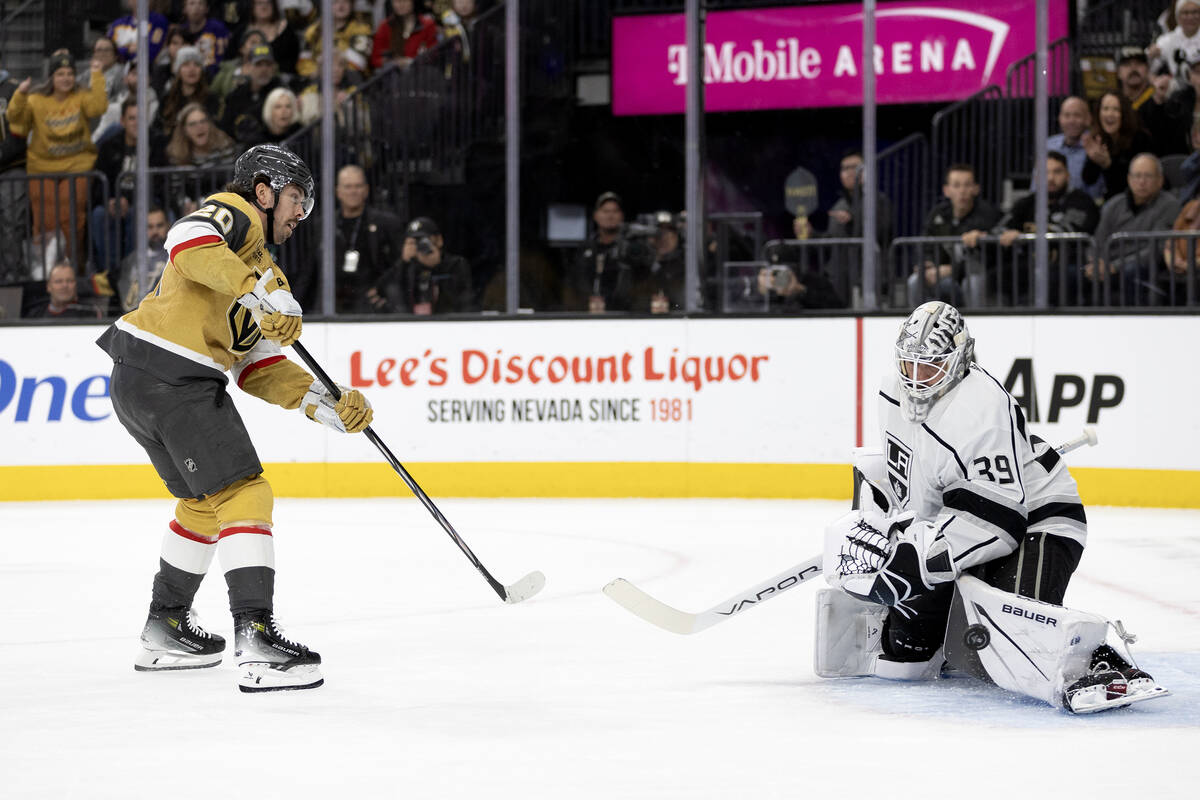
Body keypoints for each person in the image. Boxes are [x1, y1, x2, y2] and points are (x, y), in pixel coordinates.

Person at [95, 144, 373, 693]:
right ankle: (258, 639)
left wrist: (327, 402)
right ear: (265, 191)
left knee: (204, 503)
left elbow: (257, 367)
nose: (301, 212)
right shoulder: (238, 217)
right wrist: (257, 291)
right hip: (174, 374)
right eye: (296, 198)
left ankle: (165, 625)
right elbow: (183, 240)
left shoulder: (265, 273)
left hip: (138, 377)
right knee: (246, 494)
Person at [819, 301, 1168, 714]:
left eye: (929, 366)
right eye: (908, 365)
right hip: (963, 517)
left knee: (1010, 634)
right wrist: (890, 524)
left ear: (959, 359)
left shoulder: (983, 409)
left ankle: (1100, 661)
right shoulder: (889, 387)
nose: (915, 379)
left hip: (1038, 518)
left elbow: (1000, 521)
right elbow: (910, 475)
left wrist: (921, 556)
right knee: (926, 651)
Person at [5, 49, 108, 278]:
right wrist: (20, 94)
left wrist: (96, 75)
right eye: (60, 73)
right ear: (51, 76)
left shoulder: (81, 96)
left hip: (77, 167)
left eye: (70, 73)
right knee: (44, 224)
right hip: (42, 170)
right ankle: (45, 275)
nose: (66, 78)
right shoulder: (35, 99)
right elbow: (15, 121)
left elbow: (98, 107)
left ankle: (73, 272)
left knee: (72, 221)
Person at [992, 152, 1100, 303]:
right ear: (1036, 178)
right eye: (1044, 173)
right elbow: (999, 229)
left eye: (1057, 172)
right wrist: (1007, 233)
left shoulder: (1081, 201)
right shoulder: (1027, 203)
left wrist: (1023, 235)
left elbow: (1069, 232)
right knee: (996, 276)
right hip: (1031, 266)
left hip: (1070, 266)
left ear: (1068, 175)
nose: (1050, 178)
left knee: (1052, 276)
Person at [1086, 152, 1181, 304]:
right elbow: (1098, 239)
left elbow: (1156, 248)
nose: (1141, 182)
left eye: (1148, 176)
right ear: (1129, 179)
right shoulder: (1114, 204)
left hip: (1143, 268)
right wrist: (1096, 263)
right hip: (1109, 265)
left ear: (1160, 180)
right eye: (1137, 176)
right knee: (1071, 273)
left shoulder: (1170, 205)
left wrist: (1115, 267)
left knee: (1131, 271)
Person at [908, 164, 1001, 308]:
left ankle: (975, 325)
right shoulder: (938, 214)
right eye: (956, 185)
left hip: (970, 275)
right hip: (943, 275)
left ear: (976, 189)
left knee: (973, 282)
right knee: (915, 281)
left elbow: (990, 258)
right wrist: (926, 263)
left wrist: (952, 269)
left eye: (967, 185)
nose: (962, 191)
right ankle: (921, 327)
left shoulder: (986, 215)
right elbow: (924, 244)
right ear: (946, 190)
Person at [314, 164, 404, 312]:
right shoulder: (324, 224)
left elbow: (399, 263)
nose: (353, 191)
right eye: (348, 187)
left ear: (366, 190)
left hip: (370, 299)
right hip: (334, 300)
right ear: (338, 192)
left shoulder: (386, 223)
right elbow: (312, 268)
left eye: (358, 186)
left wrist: (382, 288)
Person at [367, 215, 475, 314]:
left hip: (447, 325)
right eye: (413, 241)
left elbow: (462, 299)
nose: (419, 245)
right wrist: (403, 262)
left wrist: (437, 266)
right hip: (411, 325)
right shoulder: (407, 267)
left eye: (423, 239)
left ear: (439, 240)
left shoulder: (456, 264)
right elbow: (381, 290)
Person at [566, 191, 651, 313]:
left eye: (615, 211)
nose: (610, 216)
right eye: (605, 211)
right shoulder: (585, 249)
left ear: (622, 216)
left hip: (623, 314)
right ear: (595, 216)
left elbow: (641, 282)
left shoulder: (631, 248)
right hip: (586, 313)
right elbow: (574, 283)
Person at [1082, 91, 1157, 200]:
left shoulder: (1140, 139)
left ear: (1125, 114)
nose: (1109, 114)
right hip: (1112, 202)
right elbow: (1088, 179)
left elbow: (1136, 184)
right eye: (1105, 109)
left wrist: (1108, 165)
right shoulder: (1098, 139)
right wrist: (1092, 159)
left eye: (1115, 109)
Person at [220, 43, 286, 141]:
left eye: (268, 64)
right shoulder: (236, 95)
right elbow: (226, 127)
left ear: (273, 68)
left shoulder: (282, 93)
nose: (264, 69)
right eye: (258, 64)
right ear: (248, 67)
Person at [1047, 96, 1105, 199]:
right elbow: (1036, 187)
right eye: (1067, 115)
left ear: (1088, 119)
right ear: (1060, 118)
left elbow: (1097, 192)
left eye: (1077, 115)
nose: (1071, 120)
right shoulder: (1048, 145)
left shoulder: (1096, 146)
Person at [298, 0, 374, 77]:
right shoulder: (312, 31)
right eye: (335, 2)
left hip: (351, 81)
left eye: (345, 2)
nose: (340, 6)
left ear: (352, 5)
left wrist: (333, 72)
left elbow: (357, 63)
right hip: (317, 80)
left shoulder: (362, 30)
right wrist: (317, 72)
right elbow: (304, 62)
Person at [117, 205, 170, 313]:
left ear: (168, 226)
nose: (155, 231)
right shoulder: (131, 261)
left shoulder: (175, 258)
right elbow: (126, 299)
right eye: (150, 227)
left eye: (159, 226)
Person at [370, 0, 439, 71]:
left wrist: (411, 62)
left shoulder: (427, 25)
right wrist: (393, 62)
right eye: (396, 1)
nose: (401, 4)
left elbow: (434, 56)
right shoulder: (385, 26)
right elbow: (375, 60)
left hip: (420, 74)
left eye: (405, 0)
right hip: (394, 76)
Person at [1149, 0, 1200, 94]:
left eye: (1195, 12)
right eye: (1185, 13)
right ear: (1178, 16)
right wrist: (1151, 56)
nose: (1190, 17)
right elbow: (1151, 69)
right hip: (1176, 92)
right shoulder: (1167, 40)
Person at [24, 260, 103, 319]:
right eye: (58, 281)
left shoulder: (89, 312)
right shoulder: (35, 315)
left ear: (75, 284)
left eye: (69, 281)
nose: (65, 285)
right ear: (48, 286)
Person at [180, 0, 232, 77]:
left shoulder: (217, 28)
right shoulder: (181, 31)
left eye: (201, 3)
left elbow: (225, 55)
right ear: (184, 9)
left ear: (207, 9)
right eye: (192, 3)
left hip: (215, 75)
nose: (196, 8)